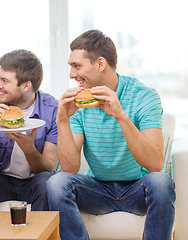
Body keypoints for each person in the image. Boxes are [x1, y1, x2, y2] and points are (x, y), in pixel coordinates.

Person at [46, 29, 175, 240]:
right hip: (98, 190)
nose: (71, 75)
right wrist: (62, 120)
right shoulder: (79, 103)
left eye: (76, 66)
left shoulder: (144, 96)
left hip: (137, 189)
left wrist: (120, 116)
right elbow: (69, 169)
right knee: (56, 183)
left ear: (100, 63)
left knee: (161, 182)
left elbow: (155, 164)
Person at [0, 49, 58, 211]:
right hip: (1, 181)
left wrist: (29, 149)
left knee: (47, 181)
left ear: (26, 85)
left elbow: (48, 167)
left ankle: (39, 235)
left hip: (35, 182)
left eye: (4, 81)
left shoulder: (52, 109)